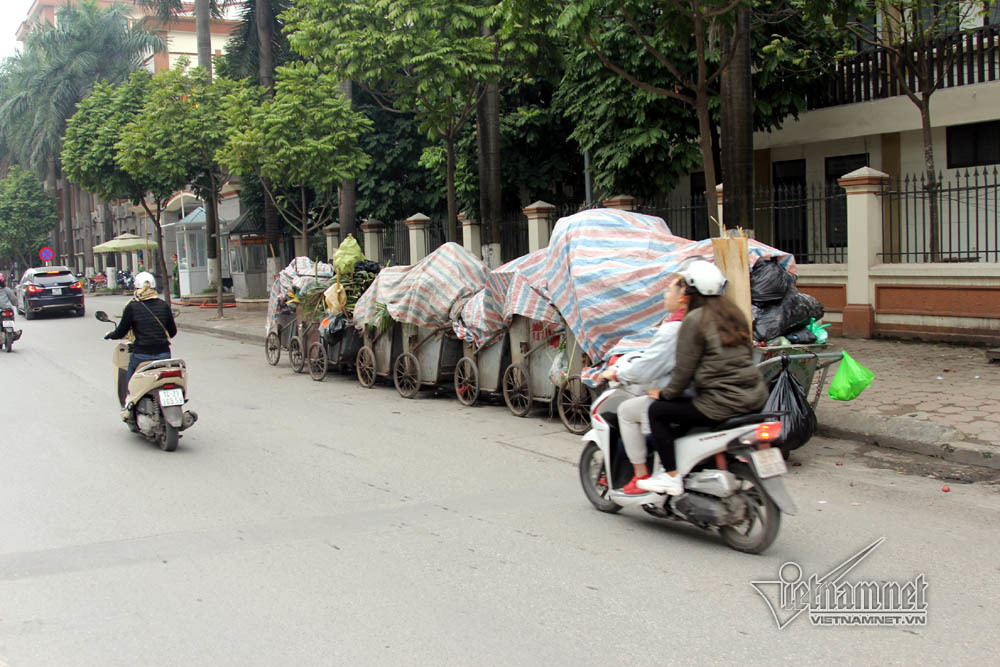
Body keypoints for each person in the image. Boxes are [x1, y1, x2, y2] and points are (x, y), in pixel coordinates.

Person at [638, 260, 768, 495]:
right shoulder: (735, 314)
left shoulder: (695, 319)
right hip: (755, 397)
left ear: (691, 292)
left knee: (657, 411)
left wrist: (665, 394)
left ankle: (670, 477)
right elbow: (747, 355)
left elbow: (683, 371)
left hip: (721, 402)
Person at [598, 274, 688, 495]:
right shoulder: (708, 321)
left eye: (669, 290)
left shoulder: (674, 328)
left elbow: (648, 368)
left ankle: (642, 475)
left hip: (683, 395)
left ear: (683, 297)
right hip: (713, 394)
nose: (665, 295)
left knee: (628, 411)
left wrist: (617, 374)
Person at [104, 271, 177, 382]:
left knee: (131, 382)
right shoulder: (164, 305)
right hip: (164, 354)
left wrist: (110, 335)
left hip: (141, 355)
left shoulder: (132, 307)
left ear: (136, 289)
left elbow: (121, 332)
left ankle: (129, 392)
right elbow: (172, 332)